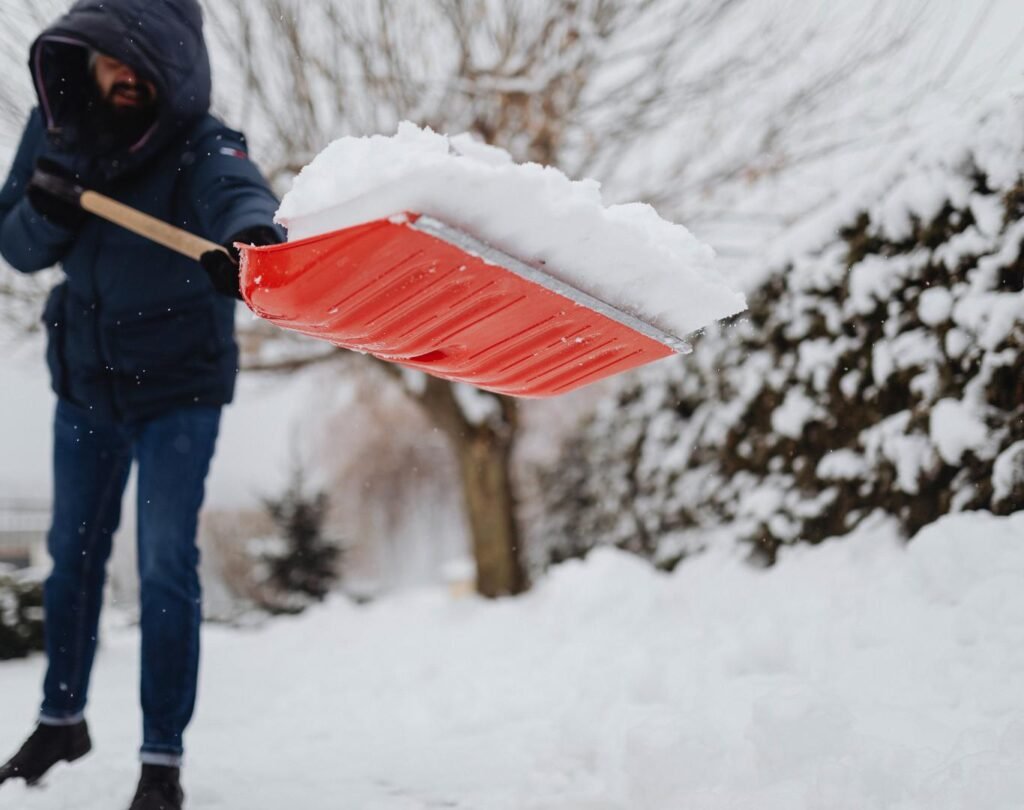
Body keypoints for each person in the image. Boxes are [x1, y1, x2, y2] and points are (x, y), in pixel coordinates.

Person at [0, 1, 283, 808]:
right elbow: (16, 249)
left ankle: (162, 761)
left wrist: (253, 240)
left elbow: (239, 191)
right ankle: (62, 718)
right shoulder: (56, 134)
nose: (124, 75)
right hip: (86, 383)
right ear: (84, 59)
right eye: (108, 58)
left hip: (179, 389)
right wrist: (41, 212)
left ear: (174, 63)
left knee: (165, 566)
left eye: (140, 61)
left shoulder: (202, 141)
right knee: (72, 559)